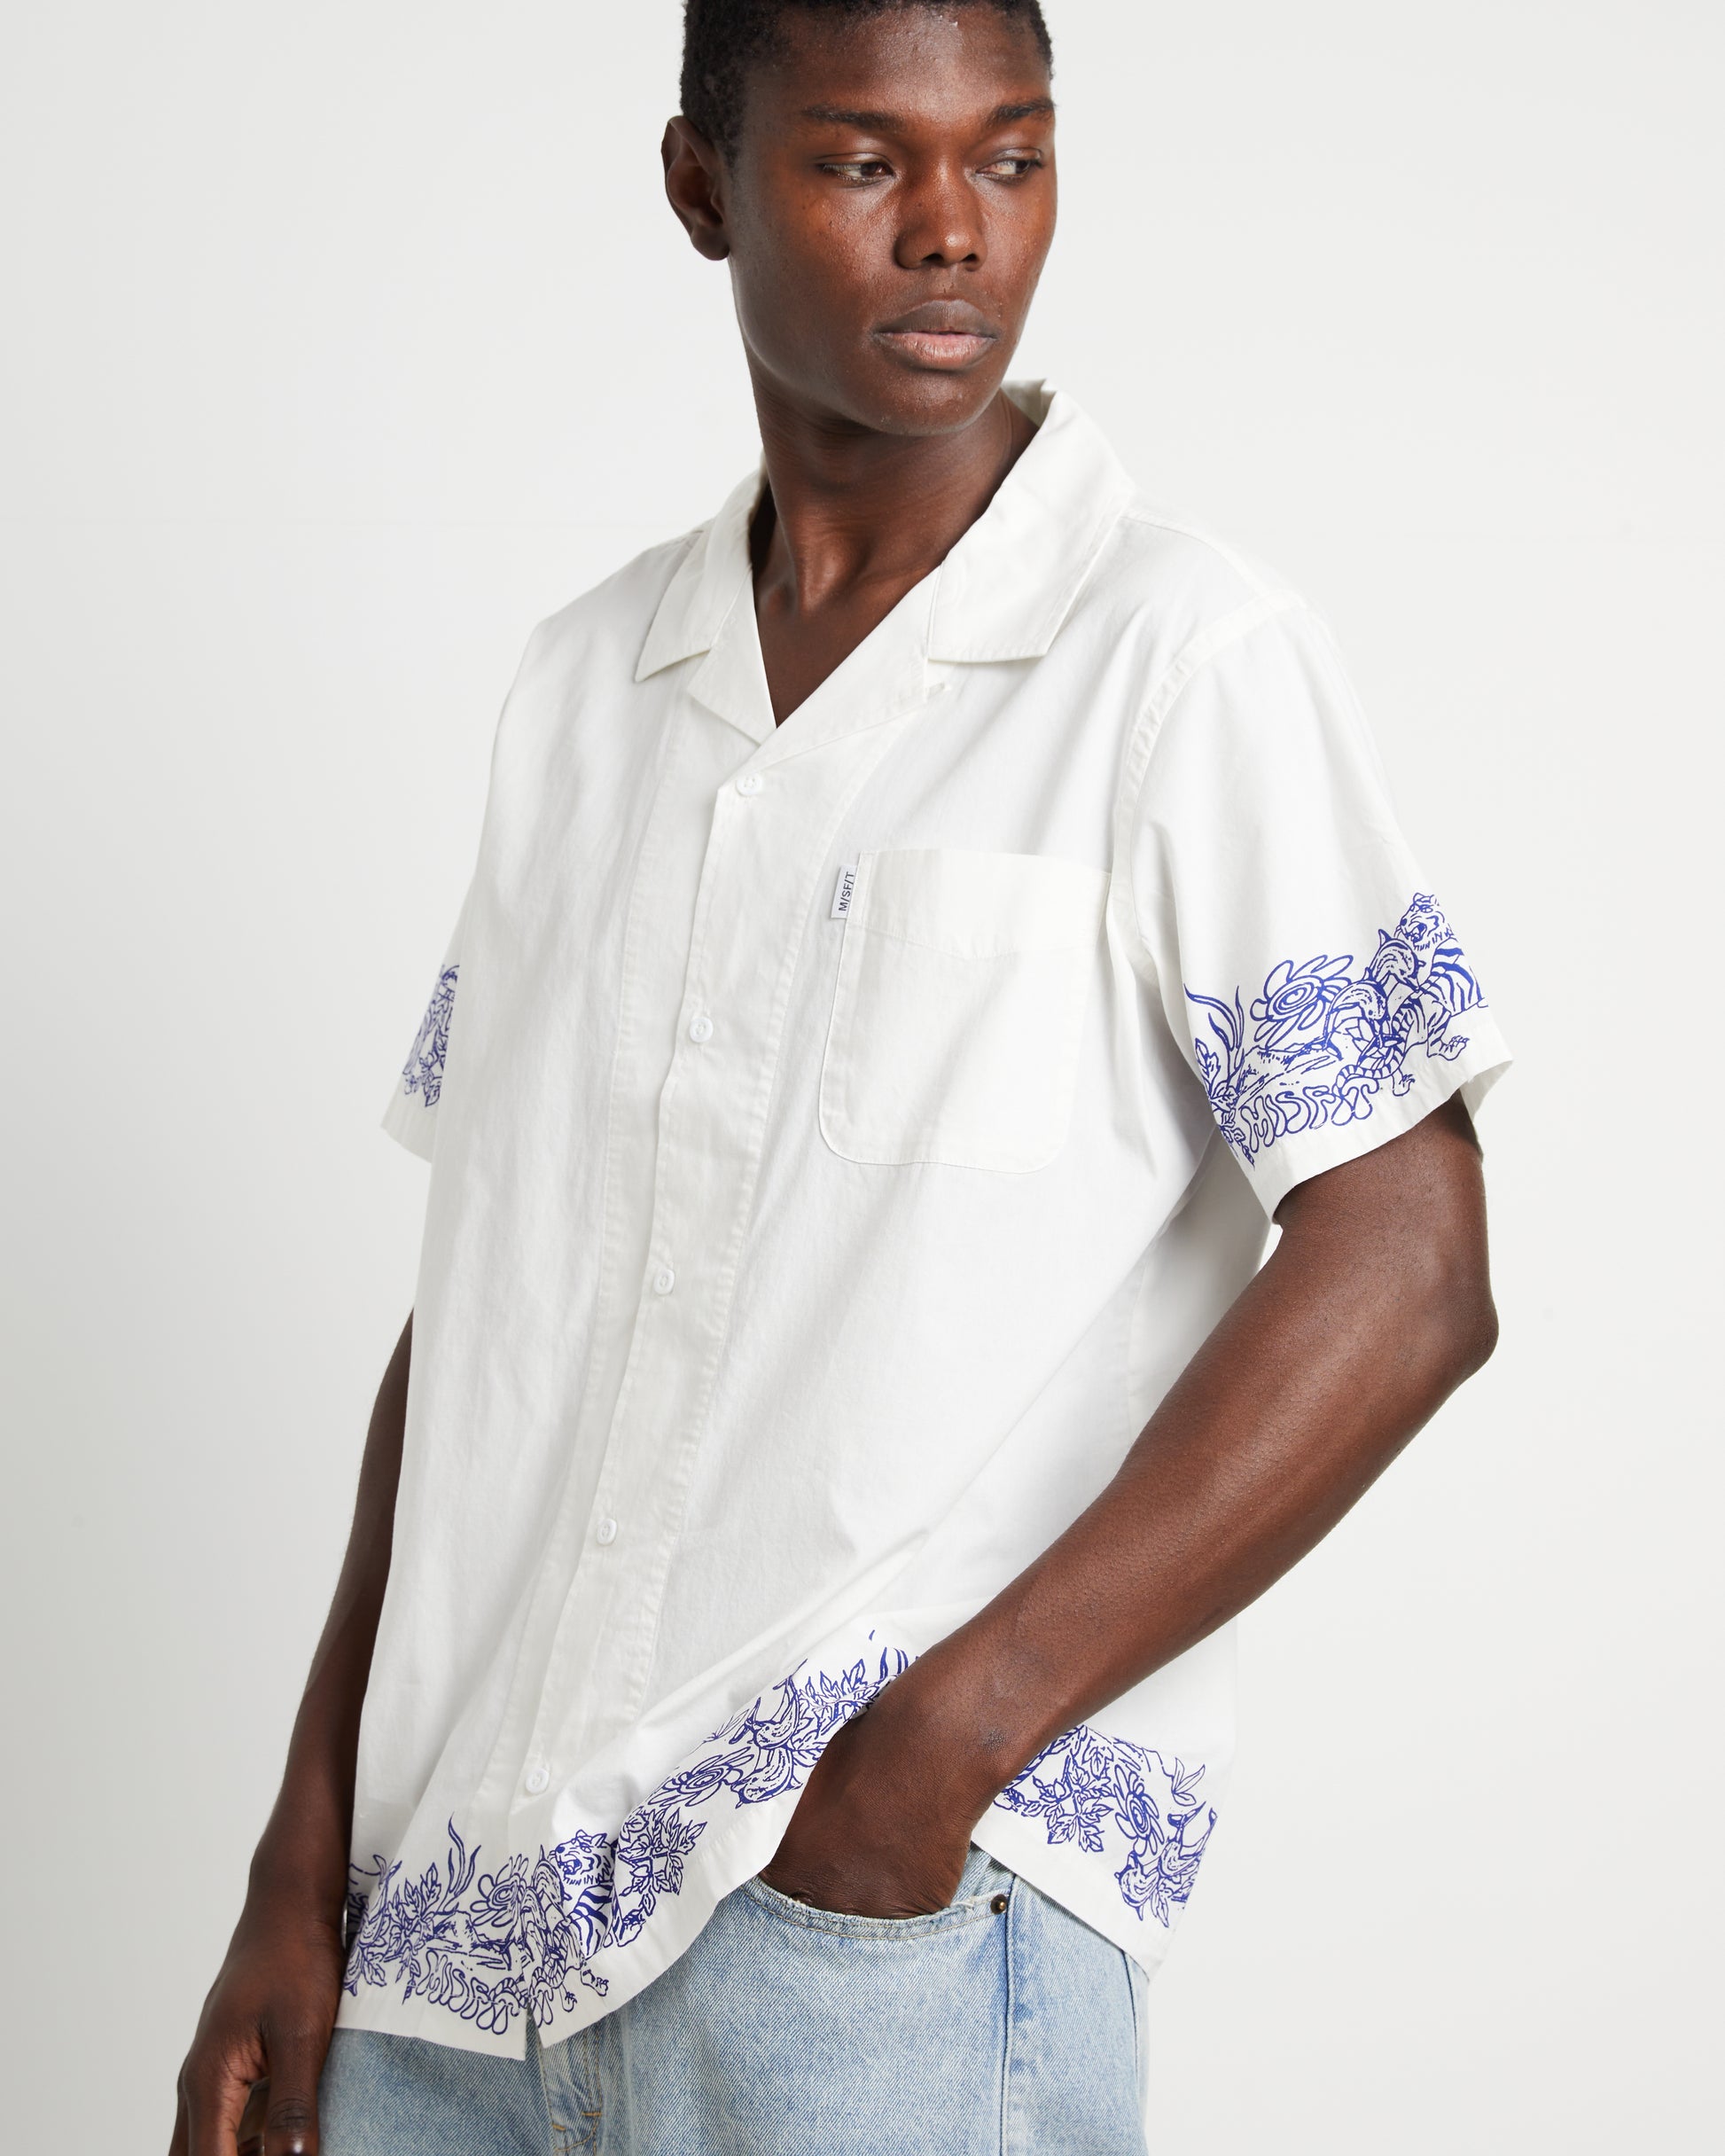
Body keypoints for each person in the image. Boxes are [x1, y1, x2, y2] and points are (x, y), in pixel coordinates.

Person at [170, 3, 1510, 2151]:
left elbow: (1410, 1257)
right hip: (447, 1965)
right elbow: (489, 1307)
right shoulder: (584, 692)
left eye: (1013, 155)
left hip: (861, 1957)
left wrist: (932, 1752)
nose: (955, 230)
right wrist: (295, 1861)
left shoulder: (1177, 659)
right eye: (867, 161)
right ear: (700, 184)